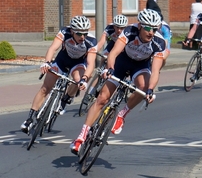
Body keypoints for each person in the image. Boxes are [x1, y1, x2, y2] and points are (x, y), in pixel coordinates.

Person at [70, 9, 166, 155]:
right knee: (102, 98)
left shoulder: (159, 43)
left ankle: (122, 114)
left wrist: (151, 89)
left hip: (140, 66)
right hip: (121, 62)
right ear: (140, 26)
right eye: (147, 28)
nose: (151, 32)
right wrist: (110, 69)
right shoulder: (129, 31)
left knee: (144, 87)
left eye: (154, 28)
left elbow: (156, 69)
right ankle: (81, 137)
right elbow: (114, 53)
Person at [20, 15, 98, 134]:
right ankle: (29, 119)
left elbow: (91, 63)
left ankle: (66, 99)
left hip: (78, 64)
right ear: (72, 31)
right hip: (62, 60)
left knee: (78, 80)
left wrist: (85, 78)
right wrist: (46, 62)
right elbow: (53, 48)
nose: (82, 37)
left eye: (85, 33)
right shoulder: (64, 32)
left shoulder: (91, 41)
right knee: (45, 88)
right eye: (78, 33)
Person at [87, 14, 129, 97]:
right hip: (112, 44)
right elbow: (102, 41)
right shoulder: (109, 28)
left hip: (123, 48)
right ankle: (100, 71)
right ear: (114, 26)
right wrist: (94, 50)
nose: (119, 30)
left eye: (122, 28)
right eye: (117, 27)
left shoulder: (128, 32)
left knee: (116, 62)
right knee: (104, 56)